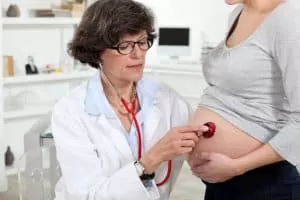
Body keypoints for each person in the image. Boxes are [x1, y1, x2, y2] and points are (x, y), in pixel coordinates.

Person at [51, 0, 208, 200]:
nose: (138, 54)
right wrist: (152, 159)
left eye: (142, 42)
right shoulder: (71, 111)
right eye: (124, 45)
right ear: (98, 51)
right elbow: (88, 196)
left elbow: (203, 151)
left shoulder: (167, 99)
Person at [187, 0, 300, 199]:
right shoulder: (239, 12)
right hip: (223, 184)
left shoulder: (288, 19)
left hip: (265, 184)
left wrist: (237, 166)